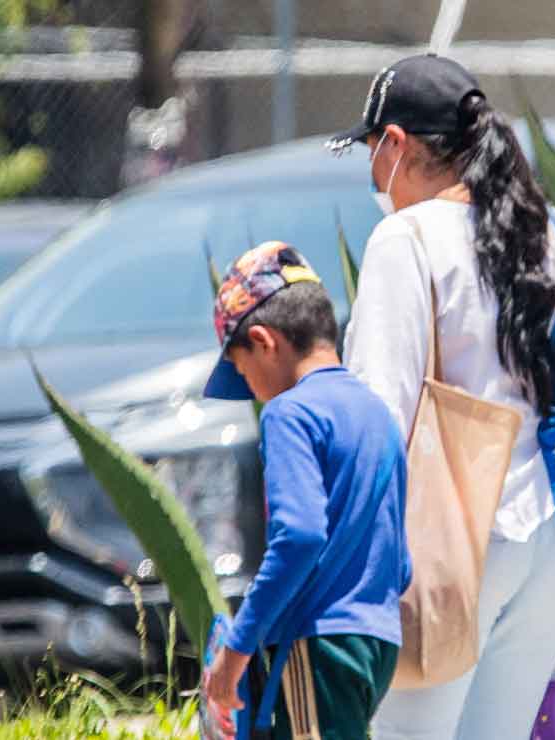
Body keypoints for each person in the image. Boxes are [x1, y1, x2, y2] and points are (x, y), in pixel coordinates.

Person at [328, 54, 555, 739]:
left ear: (394, 145)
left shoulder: (405, 239)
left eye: (368, 152)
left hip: (456, 542)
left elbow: (377, 419)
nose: (371, 177)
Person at [201, 241, 411, 740]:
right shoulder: (377, 415)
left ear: (263, 340)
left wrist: (238, 649)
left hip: (314, 642)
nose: (250, 387)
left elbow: (299, 536)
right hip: (375, 640)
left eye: (242, 369)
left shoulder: (289, 414)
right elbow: (398, 562)